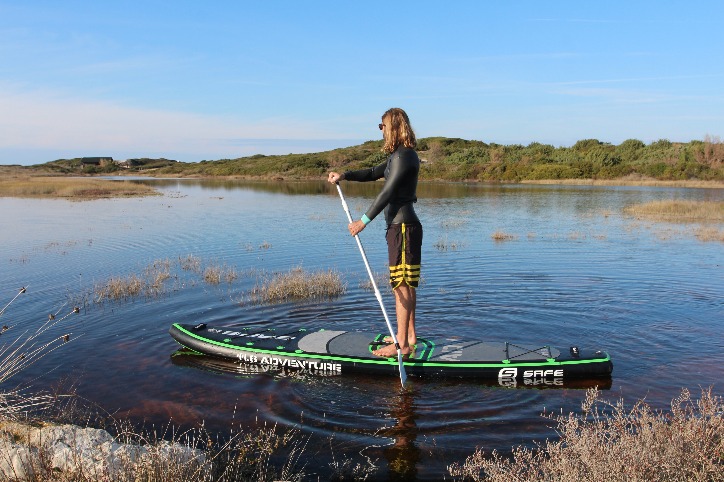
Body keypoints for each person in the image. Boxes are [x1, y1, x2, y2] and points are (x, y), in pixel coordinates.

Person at [328, 107, 422, 358]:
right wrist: (344, 175)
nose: (381, 130)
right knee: (405, 284)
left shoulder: (405, 156)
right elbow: (371, 173)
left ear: (395, 127)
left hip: (403, 228)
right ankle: (409, 336)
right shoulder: (397, 156)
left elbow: (388, 191)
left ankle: (402, 344)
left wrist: (363, 221)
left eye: (383, 126)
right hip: (401, 228)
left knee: (401, 285)